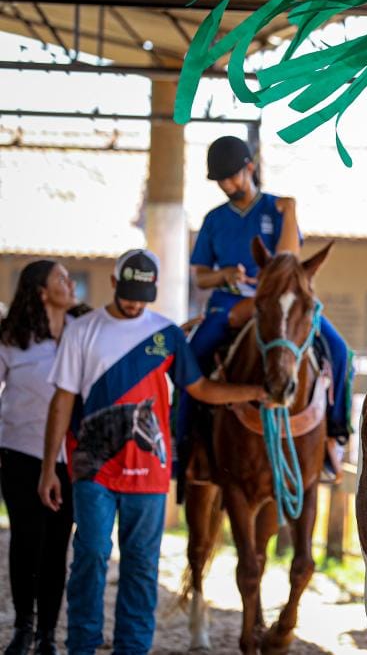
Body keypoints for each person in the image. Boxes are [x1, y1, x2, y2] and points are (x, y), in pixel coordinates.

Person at [37, 249, 265, 655]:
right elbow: (62, 402)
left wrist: (254, 392)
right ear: (113, 283)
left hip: (151, 471)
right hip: (93, 467)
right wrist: (48, 469)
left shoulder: (168, 335)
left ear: (154, 291)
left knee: (141, 566)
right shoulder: (82, 330)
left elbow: (200, 390)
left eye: (142, 295)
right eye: (127, 293)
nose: (134, 303)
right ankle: (82, 644)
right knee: (90, 553)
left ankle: (133, 648)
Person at [181, 135, 353, 475]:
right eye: (220, 180)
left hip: (280, 306)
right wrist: (224, 275)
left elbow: (288, 259)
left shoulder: (276, 208)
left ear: (250, 168)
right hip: (228, 307)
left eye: (232, 176)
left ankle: (335, 434)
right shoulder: (214, 219)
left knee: (340, 350)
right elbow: (200, 276)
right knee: (191, 356)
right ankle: (184, 441)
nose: (227, 185)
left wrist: (291, 212)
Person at [0, 261, 80, 655]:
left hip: (70, 461)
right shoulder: (11, 339)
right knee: (25, 542)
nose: (70, 283)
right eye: (61, 279)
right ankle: (23, 628)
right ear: (41, 292)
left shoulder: (83, 335)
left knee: (56, 547)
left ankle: (48, 633)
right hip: (18, 454)